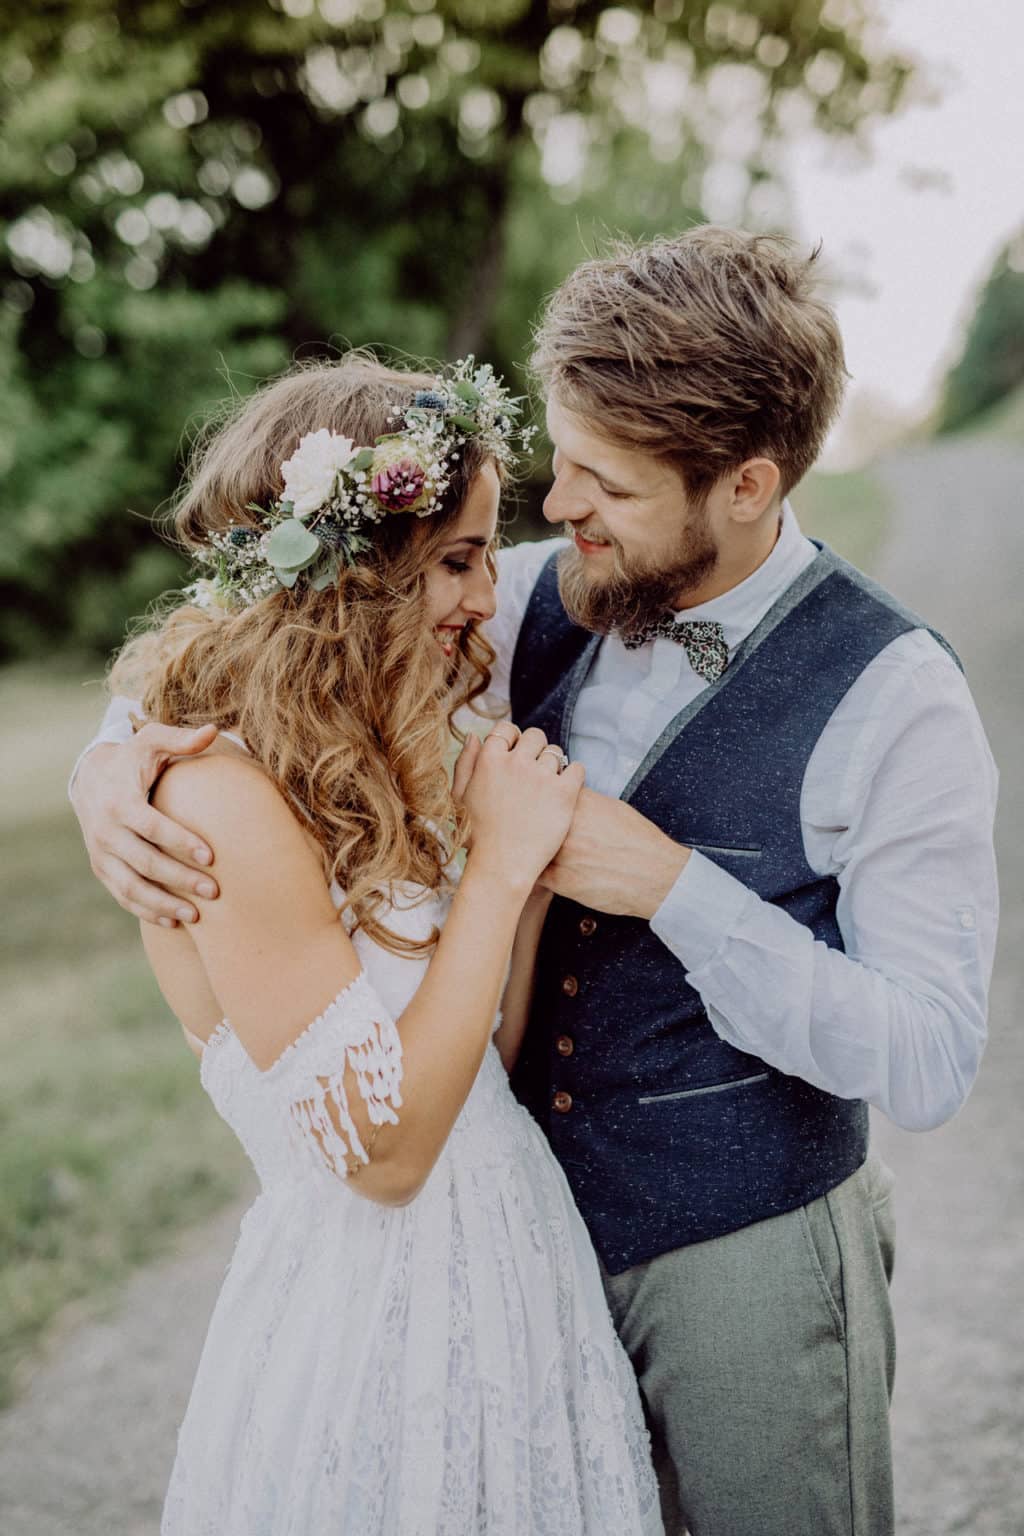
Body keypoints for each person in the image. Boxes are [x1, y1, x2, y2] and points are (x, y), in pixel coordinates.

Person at [72, 228, 999, 1536]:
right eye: (559, 461)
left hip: (743, 1262)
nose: (558, 510)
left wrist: (677, 887)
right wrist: (110, 773)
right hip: (513, 1262)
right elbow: (280, 627)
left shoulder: (898, 700)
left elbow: (931, 1056)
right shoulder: (514, 595)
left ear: (745, 484)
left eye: (602, 481)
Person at [76, 352, 663, 1535]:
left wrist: (529, 877)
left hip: (515, 1287)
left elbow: (475, 1076)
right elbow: (388, 1155)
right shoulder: (216, 797)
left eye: (487, 553)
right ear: (352, 569)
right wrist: (497, 869)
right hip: (371, 1333)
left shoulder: (391, 742)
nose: (487, 598)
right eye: (455, 559)